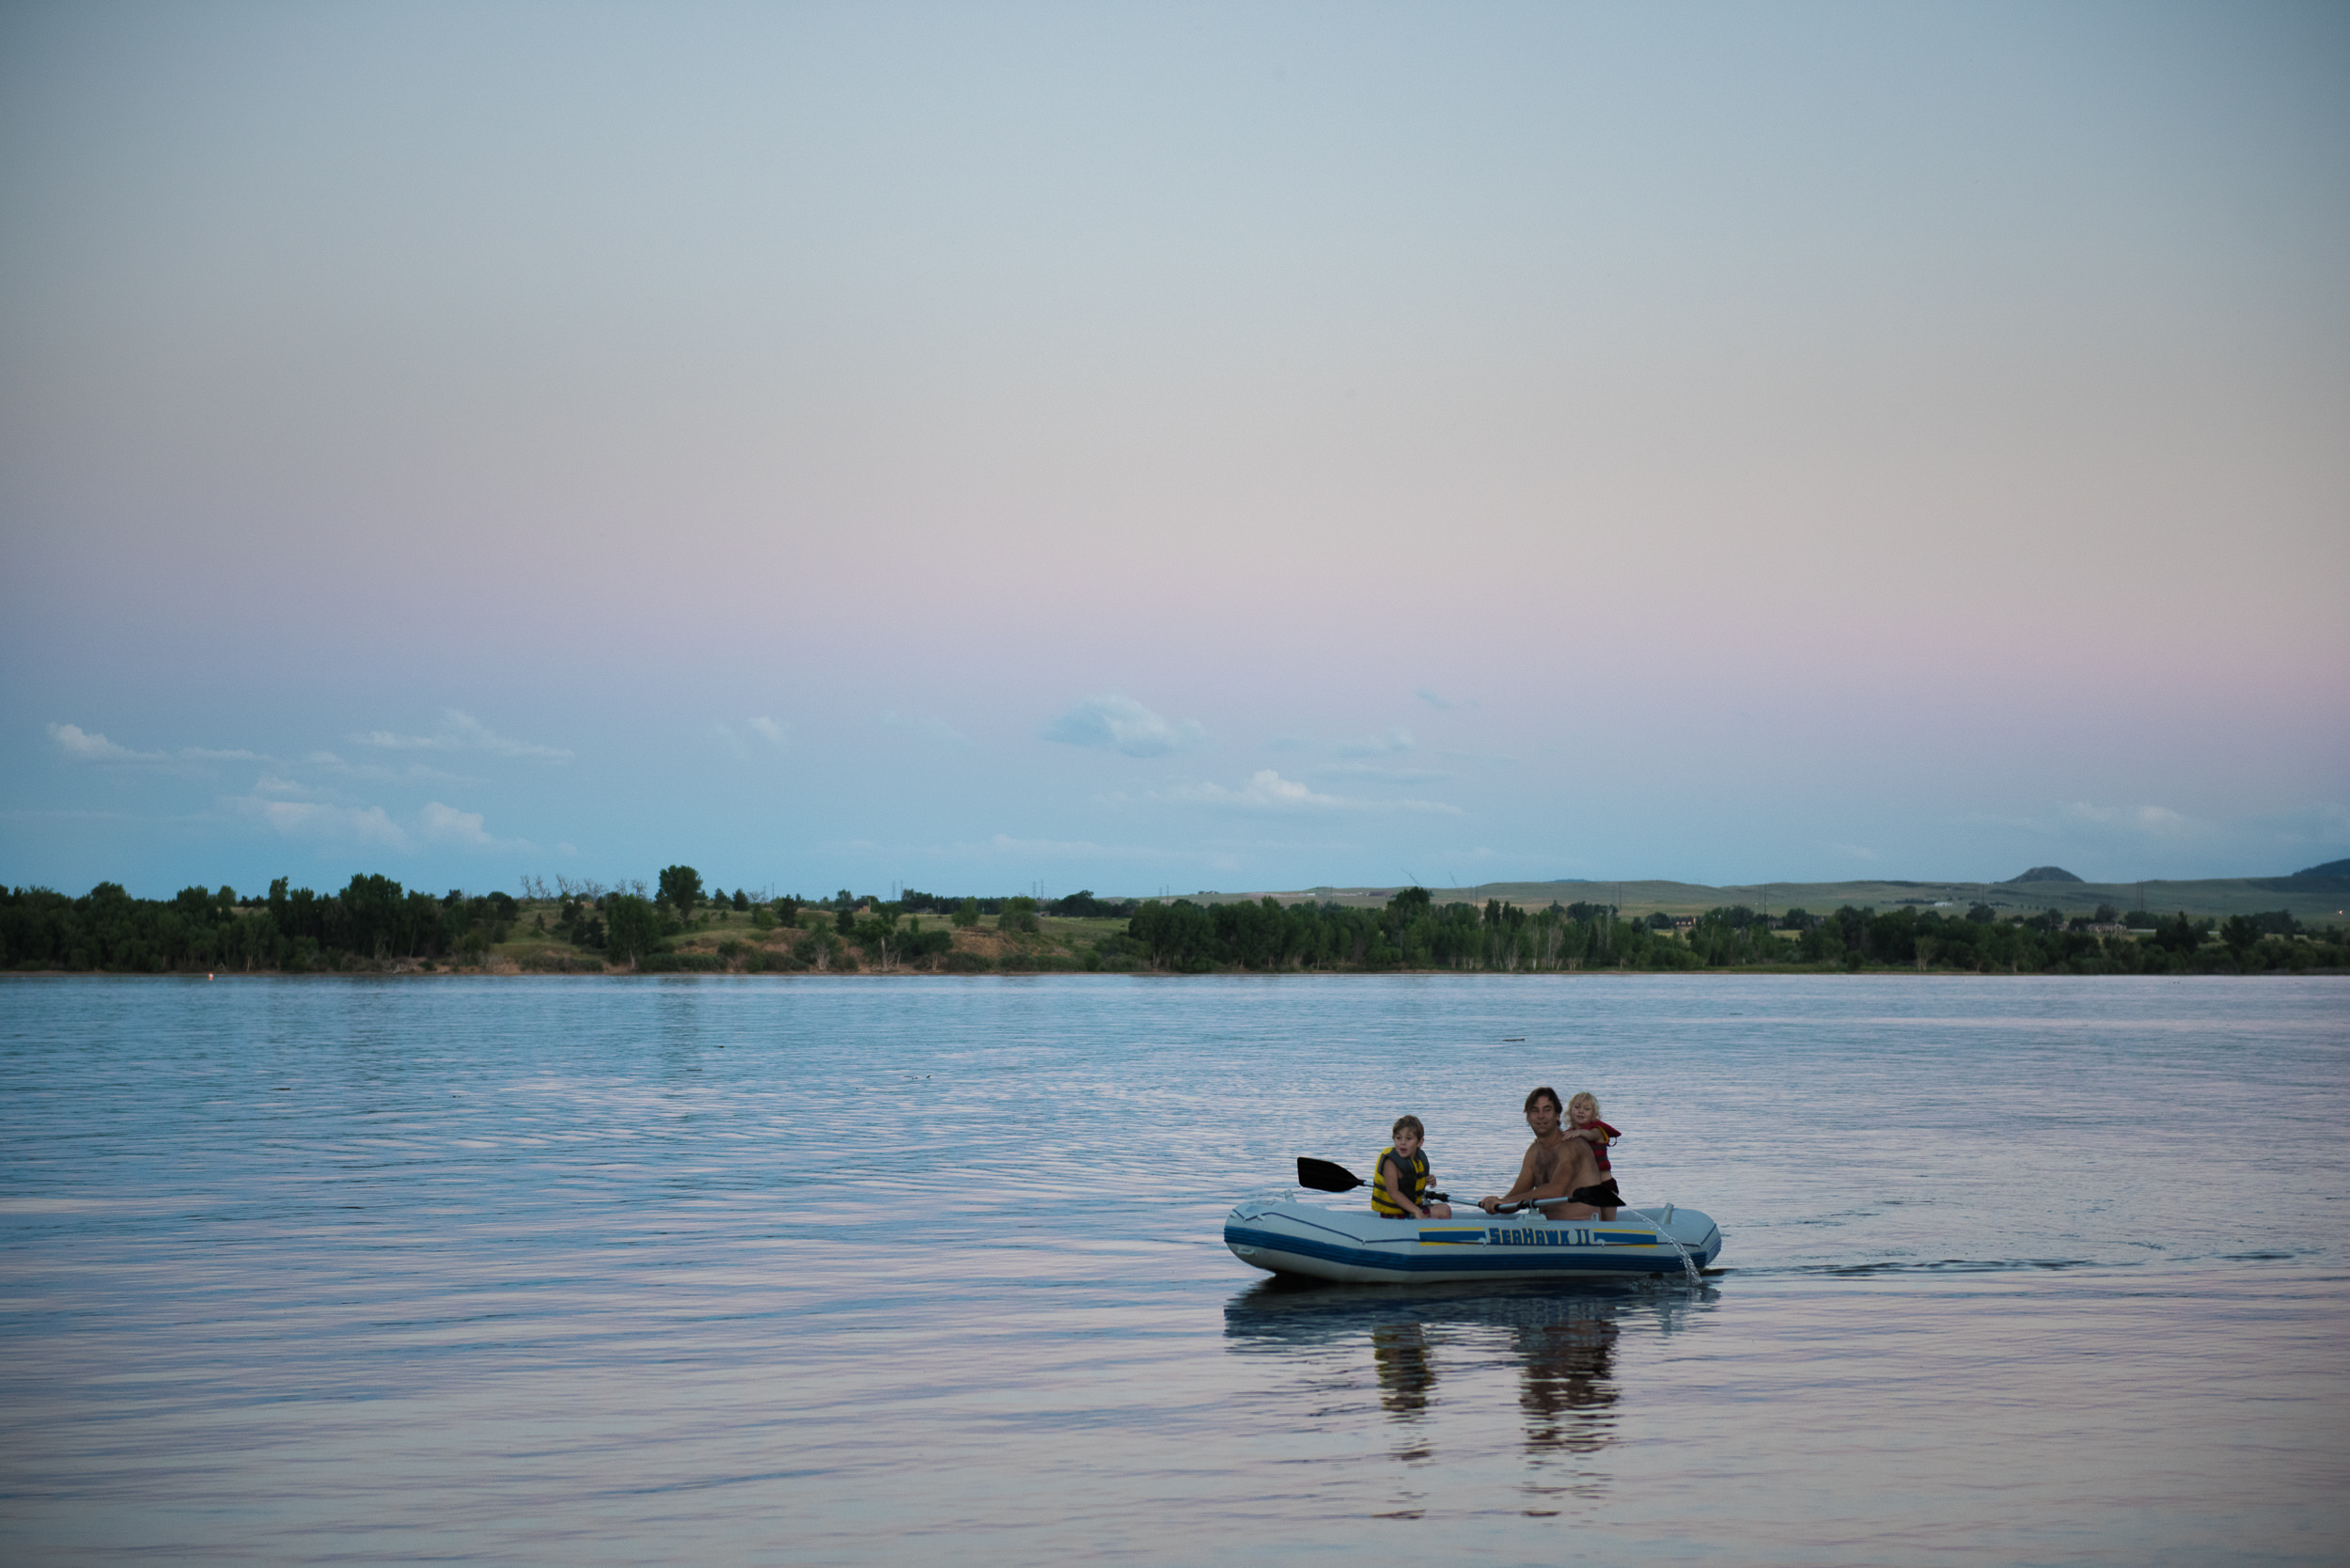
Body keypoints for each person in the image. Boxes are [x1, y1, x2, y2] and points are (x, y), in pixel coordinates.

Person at [1479, 1085, 1605, 1220]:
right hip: (1547, 1230)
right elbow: (1516, 1195)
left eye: (1547, 1110)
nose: (1540, 1116)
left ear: (1557, 1115)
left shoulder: (1572, 1146)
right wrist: (1497, 1202)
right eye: (1535, 1111)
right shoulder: (1533, 1152)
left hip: (1583, 1232)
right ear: (1527, 1117)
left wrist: (1506, 1202)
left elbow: (1556, 1191)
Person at [1371, 1115, 1452, 1219]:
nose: (1402, 1143)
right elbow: (1393, 1193)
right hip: (1394, 1216)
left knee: (1445, 1208)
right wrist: (1416, 1211)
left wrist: (1427, 1179)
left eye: (1408, 1139)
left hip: (1408, 1209)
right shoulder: (1390, 1162)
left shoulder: (1418, 1158)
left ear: (1419, 1142)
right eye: (1398, 1138)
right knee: (1443, 1213)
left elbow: (1411, 1182)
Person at [1564, 1091, 1622, 1220]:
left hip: (1605, 1185)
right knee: (1592, 1219)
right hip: (1585, 1188)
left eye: (1587, 1109)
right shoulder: (1568, 1135)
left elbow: (1590, 1135)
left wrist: (1580, 1132)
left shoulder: (1597, 1131)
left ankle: (1614, 1235)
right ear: (1570, 1111)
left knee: (1608, 1221)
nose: (1581, 1111)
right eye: (1577, 1107)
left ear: (1594, 1114)